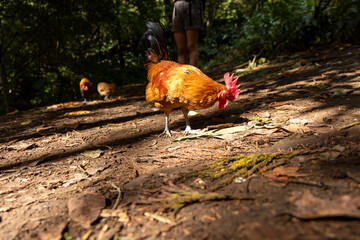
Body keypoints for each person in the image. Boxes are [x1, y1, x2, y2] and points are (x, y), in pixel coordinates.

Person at [172, 0, 204, 67]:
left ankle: (193, 76)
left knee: (191, 46)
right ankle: (183, 76)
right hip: (178, 6)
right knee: (181, 49)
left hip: (193, 5)